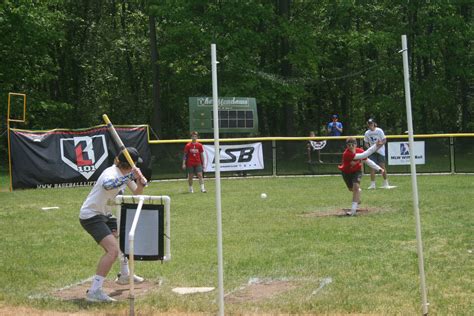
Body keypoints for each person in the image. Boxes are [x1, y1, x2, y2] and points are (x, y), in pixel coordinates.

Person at [79, 147, 148, 302]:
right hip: (91, 215)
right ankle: (94, 291)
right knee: (112, 251)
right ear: (131, 164)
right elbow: (108, 185)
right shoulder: (110, 173)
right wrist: (131, 175)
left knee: (122, 239)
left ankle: (125, 275)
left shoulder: (125, 175)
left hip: (106, 214)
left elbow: (136, 194)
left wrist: (140, 183)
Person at [338, 137, 385, 216]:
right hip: (346, 172)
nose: (351, 146)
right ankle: (358, 192)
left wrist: (379, 168)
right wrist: (375, 146)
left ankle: (353, 210)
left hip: (357, 171)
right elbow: (364, 154)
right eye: (349, 145)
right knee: (351, 189)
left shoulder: (359, 151)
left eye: (353, 144)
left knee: (356, 186)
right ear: (347, 146)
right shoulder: (347, 154)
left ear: (356, 145)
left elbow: (367, 160)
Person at [364, 118, 391, 189]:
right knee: (372, 167)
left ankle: (386, 182)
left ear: (374, 124)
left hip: (380, 151)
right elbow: (366, 142)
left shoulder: (379, 130)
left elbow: (384, 140)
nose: (370, 125)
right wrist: (370, 149)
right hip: (372, 152)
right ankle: (373, 184)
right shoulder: (367, 133)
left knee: (382, 167)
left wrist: (378, 146)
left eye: (371, 124)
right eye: (369, 124)